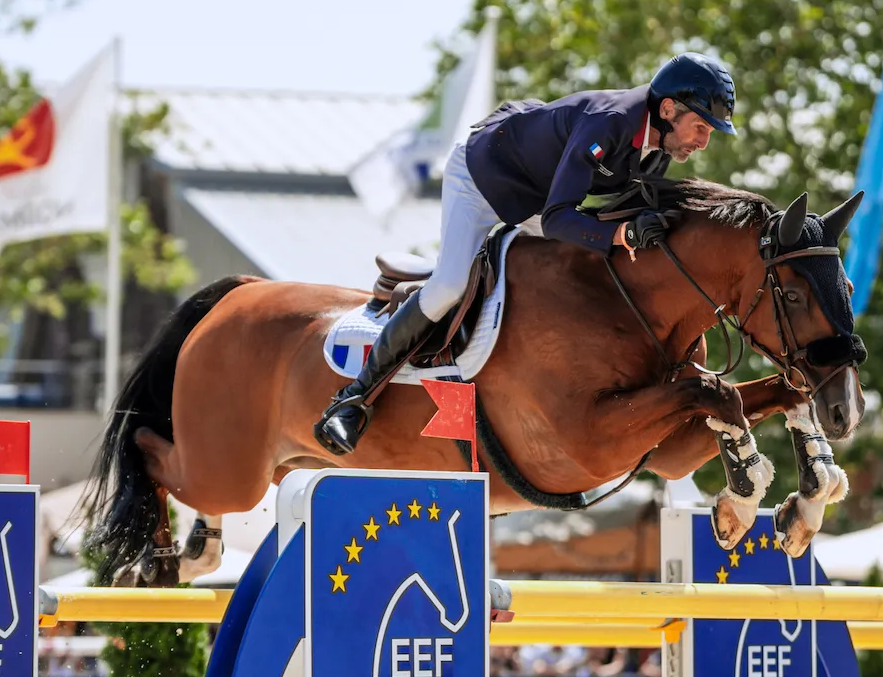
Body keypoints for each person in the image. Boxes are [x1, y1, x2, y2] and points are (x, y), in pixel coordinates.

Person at [314, 51, 737, 455]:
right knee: (449, 285)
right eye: (701, 127)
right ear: (668, 110)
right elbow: (557, 220)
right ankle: (353, 399)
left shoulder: (657, 148)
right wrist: (623, 233)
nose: (703, 142)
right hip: (482, 179)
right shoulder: (609, 123)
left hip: (535, 196)